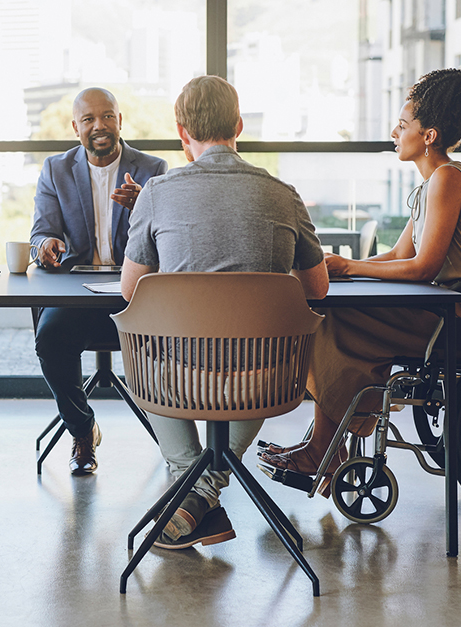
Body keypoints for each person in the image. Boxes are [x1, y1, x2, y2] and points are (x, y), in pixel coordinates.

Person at [259, 68, 461, 486]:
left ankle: (325, 449)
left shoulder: (447, 179)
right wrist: (344, 267)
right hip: (445, 304)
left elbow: (424, 266)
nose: (394, 131)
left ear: (429, 136)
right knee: (336, 311)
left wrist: (350, 268)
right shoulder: (432, 184)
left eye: (403, 125)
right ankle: (325, 445)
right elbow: (397, 255)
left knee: (335, 319)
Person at [120, 75, 328, 549]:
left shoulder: (157, 193)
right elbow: (317, 288)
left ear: (181, 132)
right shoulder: (284, 194)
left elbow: (131, 290)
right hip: (265, 379)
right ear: (238, 124)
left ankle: (190, 485)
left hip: (177, 379)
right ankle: (202, 494)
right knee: (262, 347)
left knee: (142, 335)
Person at [29, 87, 168, 475]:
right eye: (89, 119)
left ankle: (175, 438)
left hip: (136, 293)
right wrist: (47, 244)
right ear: (76, 128)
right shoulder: (56, 170)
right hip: (79, 293)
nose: (100, 126)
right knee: (49, 337)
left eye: (107, 116)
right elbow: (40, 232)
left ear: (120, 121)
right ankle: (82, 429)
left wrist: (145, 205)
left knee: (172, 336)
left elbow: (172, 238)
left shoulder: (153, 170)